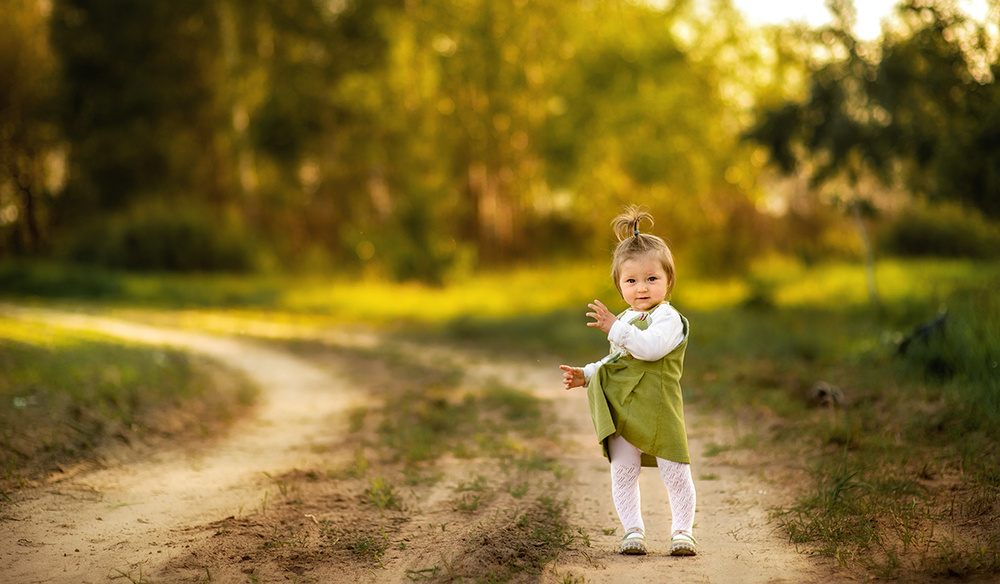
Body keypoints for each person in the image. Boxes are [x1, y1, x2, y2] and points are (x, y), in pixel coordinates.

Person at [559, 205, 697, 557]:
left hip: (660, 408)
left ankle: (682, 531)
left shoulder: (669, 319)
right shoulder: (624, 318)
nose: (642, 288)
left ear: (668, 281)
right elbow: (617, 359)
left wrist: (614, 327)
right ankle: (632, 530)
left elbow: (648, 350)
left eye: (652, 279)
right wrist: (588, 374)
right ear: (620, 286)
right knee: (623, 470)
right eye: (631, 281)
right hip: (625, 407)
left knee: (675, 471)